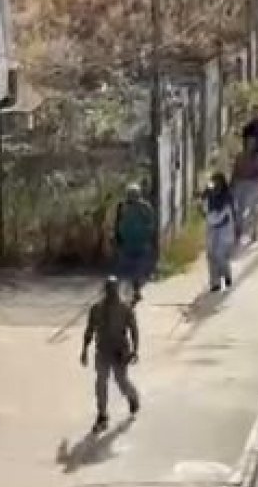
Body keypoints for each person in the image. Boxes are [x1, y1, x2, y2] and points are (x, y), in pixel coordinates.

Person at [81, 276, 141, 433]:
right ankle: (102, 414)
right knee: (101, 382)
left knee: (121, 382)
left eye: (114, 290)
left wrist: (135, 349)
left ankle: (132, 396)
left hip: (120, 351)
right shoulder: (96, 309)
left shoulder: (125, 309)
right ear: (105, 291)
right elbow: (89, 330)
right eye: (109, 290)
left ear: (117, 291)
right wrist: (84, 350)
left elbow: (134, 329)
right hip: (103, 350)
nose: (112, 294)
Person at [112, 183, 158, 305]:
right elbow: (117, 224)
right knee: (127, 269)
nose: (131, 198)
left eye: (133, 195)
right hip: (128, 243)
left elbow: (151, 224)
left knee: (137, 268)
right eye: (130, 195)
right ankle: (128, 291)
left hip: (140, 243)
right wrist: (117, 238)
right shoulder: (122, 207)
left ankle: (135, 290)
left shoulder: (145, 207)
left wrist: (149, 237)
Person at [230, 141, 258, 245]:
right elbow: (235, 171)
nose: (250, 147)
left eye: (252, 145)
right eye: (249, 145)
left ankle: (253, 231)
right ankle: (239, 229)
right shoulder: (240, 156)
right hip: (240, 182)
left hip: (253, 183)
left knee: (253, 208)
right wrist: (231, 184)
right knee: (239, 208)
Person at [203, 174, 238, 291]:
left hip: (224, 230)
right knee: (211, 255)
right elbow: (205, 211)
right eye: (214, 183)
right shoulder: (208, 197)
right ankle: (215, 283)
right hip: (211, 229)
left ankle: (226, 274)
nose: (215, 186)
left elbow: (225, 216)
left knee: (219, 255)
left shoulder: (227, 198)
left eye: (218, 183)